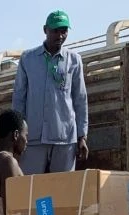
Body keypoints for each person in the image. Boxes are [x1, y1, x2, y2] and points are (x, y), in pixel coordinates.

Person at [12, 10, 89, 175]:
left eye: (64, 31)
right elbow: (19, 98)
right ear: (45, 29)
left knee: (62, 192)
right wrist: (17, 133)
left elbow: (80, 99)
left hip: (65, 138)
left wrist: (82, 136)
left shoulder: (74, 60)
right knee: (30, 189)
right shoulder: (28, 59)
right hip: (33, 139)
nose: (60, 35)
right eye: (55, 31)